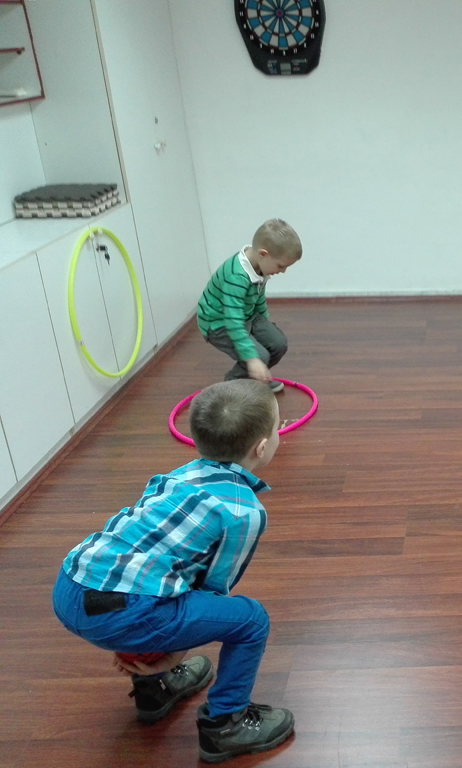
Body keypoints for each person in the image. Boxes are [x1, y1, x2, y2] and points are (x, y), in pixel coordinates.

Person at [52, 379, 294, 763]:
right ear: (262, 447)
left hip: (68, 586)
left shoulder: (175, 476)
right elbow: (213, 588)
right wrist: (174, 651)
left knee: (152, 578)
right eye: (279, 426)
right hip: (128, 611)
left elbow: (141, 555)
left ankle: (154, 686)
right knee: (251, 620)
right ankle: (225, 725)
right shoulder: (244, 510)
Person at [198, 218, 302, 392]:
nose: (283, 271)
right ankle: (233, 383)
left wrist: (266, 327)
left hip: (247, 315)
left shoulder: (260, 266)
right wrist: (252, 359)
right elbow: (232, 320)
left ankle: (255, 378)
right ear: (263, 254)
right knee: (259, 356)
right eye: (280, 266)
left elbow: (258, 299)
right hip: (218, 323)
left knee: (278, 344)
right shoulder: (236, 276)